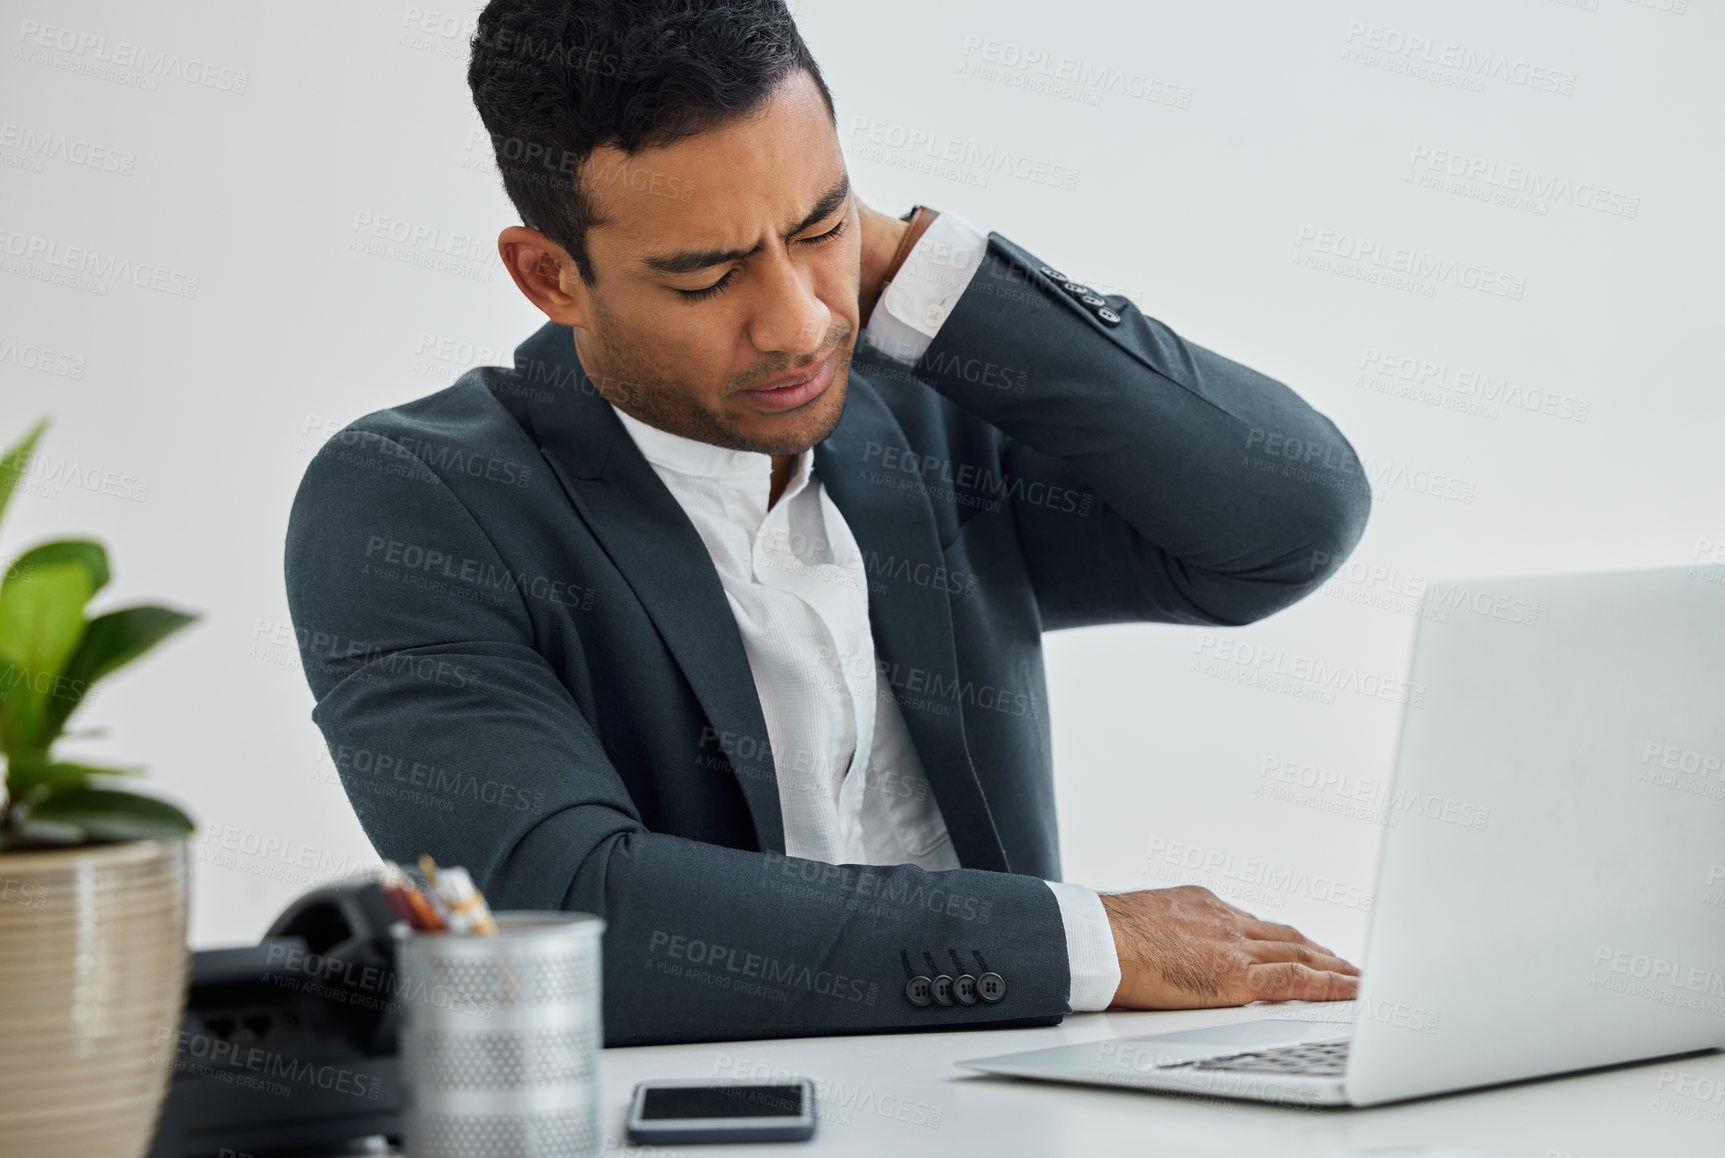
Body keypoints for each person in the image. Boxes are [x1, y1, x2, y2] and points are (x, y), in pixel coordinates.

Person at [284, 0, 1372, 1046]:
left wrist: (922, 270)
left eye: (821, 226)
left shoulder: (923, 407)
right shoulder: (411, 502)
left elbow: (1289, 519)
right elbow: (561, 914)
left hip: (1026, 1117)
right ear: (549, 276)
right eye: (708, 275)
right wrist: (1083, 941)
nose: (801, 322)